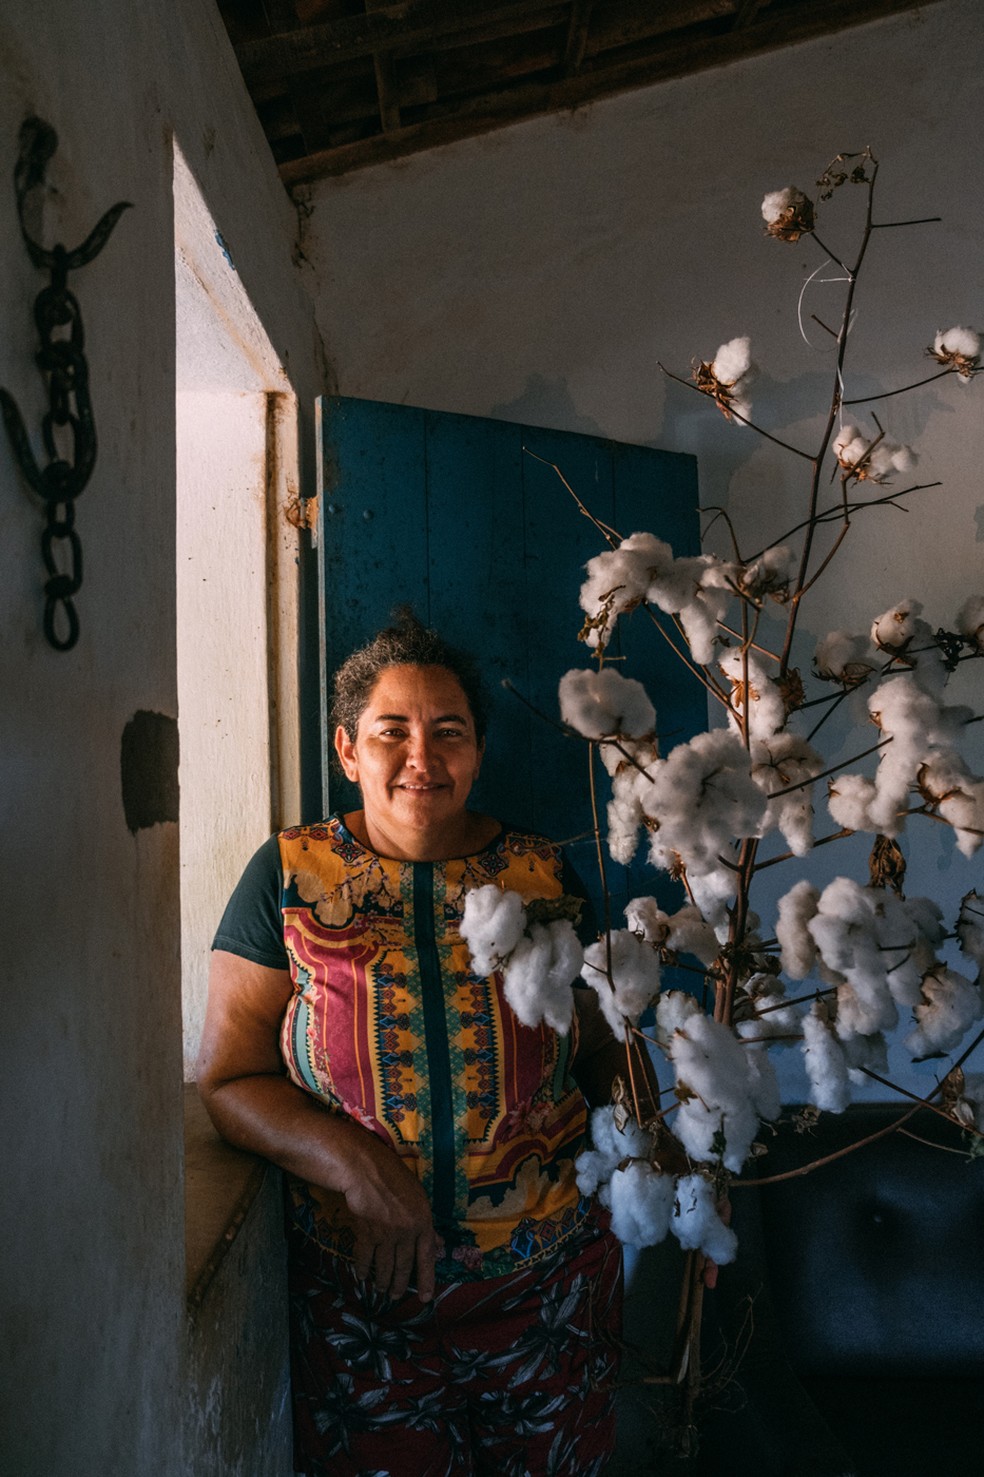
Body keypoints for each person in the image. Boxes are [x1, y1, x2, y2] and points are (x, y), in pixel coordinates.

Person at [197, 612, 641, 1477]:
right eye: (391, 731)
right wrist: (359, 1167)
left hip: (551, 1297)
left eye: (448, 732)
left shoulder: (541, 875)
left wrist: (674, 1165)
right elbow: (227, 1079)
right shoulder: (288, 877)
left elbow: (604, 1044)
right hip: (364, 1308)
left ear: (478, 751)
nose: (421, 757)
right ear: (347, 750)